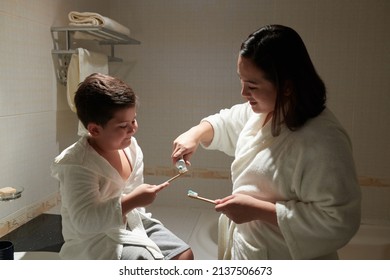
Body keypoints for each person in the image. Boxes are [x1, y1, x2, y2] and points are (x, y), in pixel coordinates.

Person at [171, 25, 361, 260]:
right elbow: (227, 122)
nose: (243, 93)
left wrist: (258, 210)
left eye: (252, 86)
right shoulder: (266, 111)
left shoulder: (322, 141)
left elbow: (338, 222)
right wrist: (195, 134)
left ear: (287, 87)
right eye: (241, 81)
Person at [51, 73, 193, 260]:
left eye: (133, 120)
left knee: (184, 255)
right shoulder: (78, 164)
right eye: (124, 125)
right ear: (94, 129)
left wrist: (134, 203)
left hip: (130, 222)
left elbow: (134, 200)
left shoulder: (132, 148)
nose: (133, 129)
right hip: (94, 239)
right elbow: (84, 222)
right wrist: (133, 200)